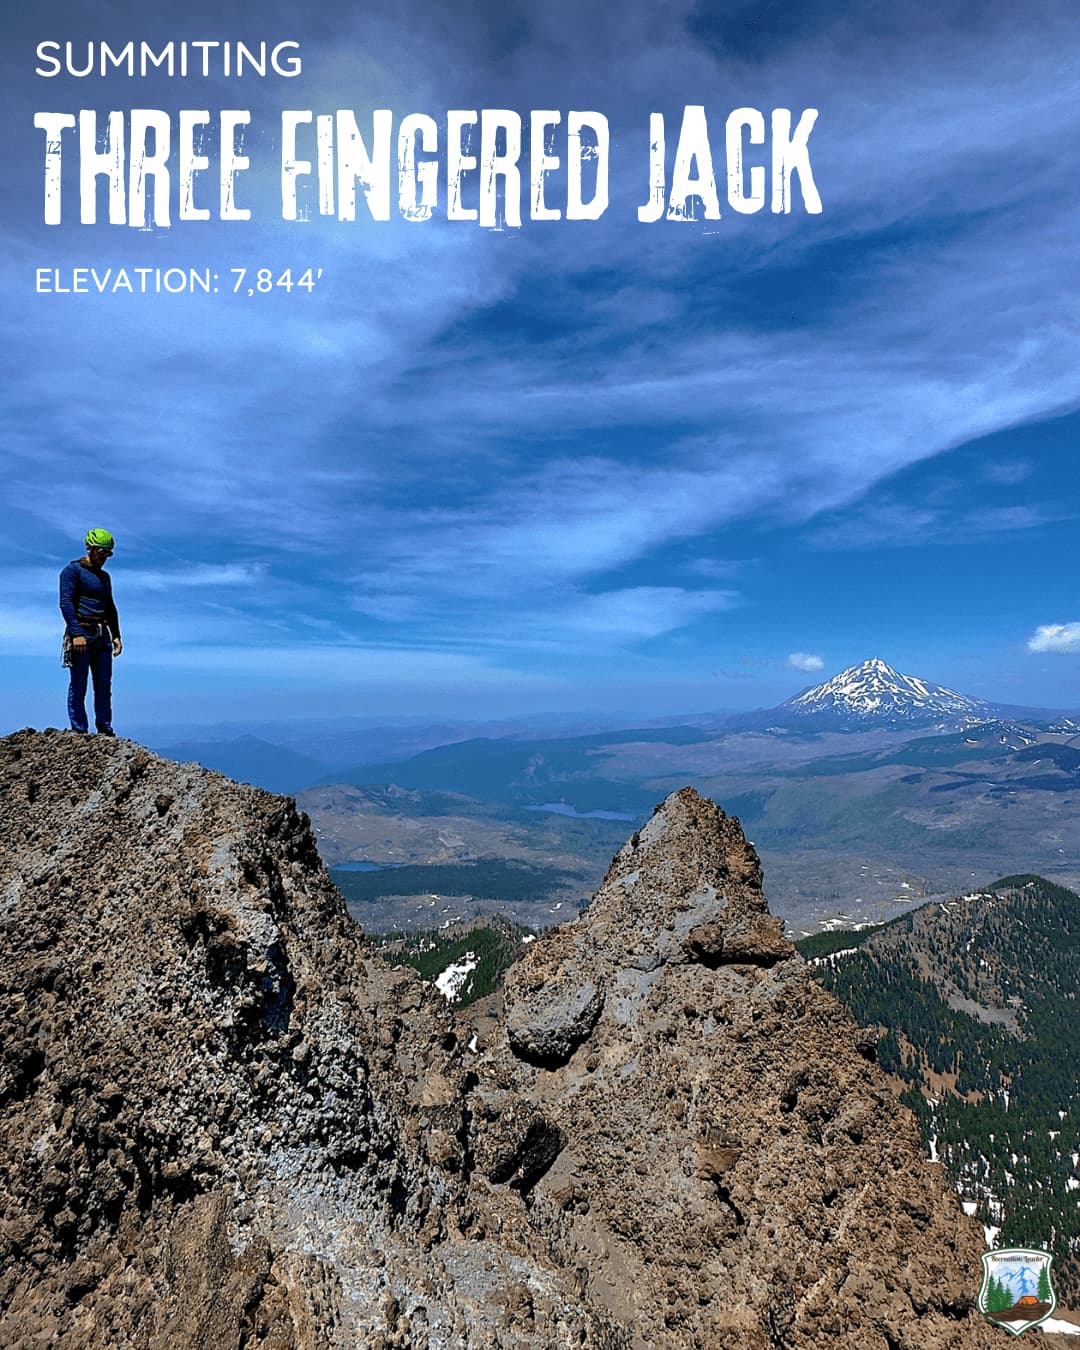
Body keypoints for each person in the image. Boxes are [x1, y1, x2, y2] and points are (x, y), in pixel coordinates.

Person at [60, 529, 123, 736]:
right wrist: (76, 633)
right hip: (82, 633)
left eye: (108, 553)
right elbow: (66, 603)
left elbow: (110, 606)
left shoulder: (104, 577)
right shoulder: (72, 571)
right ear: (89, 548)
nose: (105, 557)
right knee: (79, 684)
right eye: (101, 552)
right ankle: (79, 731)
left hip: (101, 634)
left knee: (104, 685)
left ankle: (105, 729)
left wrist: (116, 635)